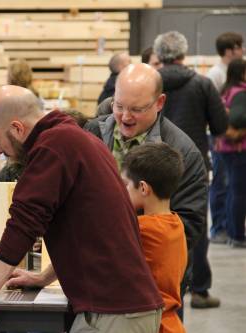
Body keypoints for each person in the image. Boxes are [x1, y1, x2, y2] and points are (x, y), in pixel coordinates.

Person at [0, 85, 164, 332]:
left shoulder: (53, 146)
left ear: (17, 128)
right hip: (124, 310)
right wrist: (44, 277)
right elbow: (88, 229)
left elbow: (24, 223)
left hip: (113, 314)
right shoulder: (73, 139)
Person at [83, 63, 208, 317]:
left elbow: (189, 226)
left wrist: (123, 242)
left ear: (160, 102)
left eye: (137, 109)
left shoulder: (182, 152)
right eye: (119, 106)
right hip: (94, 276)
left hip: (153, 286)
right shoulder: (93, 133)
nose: (126, 117)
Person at [154, 30, 227, 309]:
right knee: (193, 227)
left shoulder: (149, 82)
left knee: (153, 228)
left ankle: (161, 289)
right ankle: (198, 289)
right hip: (193, 166)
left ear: (159, 55)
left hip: (152, 169)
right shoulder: (202, 84)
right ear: (184, 54)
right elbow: (220, 125)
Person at [121, 143, 187, 333]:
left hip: (150, 325)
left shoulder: (142, 228)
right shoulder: (175, 223)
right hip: (170, 323)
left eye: (125, 184)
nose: (121, 191)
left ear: (143, 188)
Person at [206, 32, 244, 244]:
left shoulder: (229, 72)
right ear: (230, 50)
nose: (242, 51)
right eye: (240, 47)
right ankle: (218, 227)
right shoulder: (216, 74)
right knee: (220, 182)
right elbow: (216, 108)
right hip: (220, 137)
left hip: (229, 137)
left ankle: (229, 227)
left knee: (232, 185)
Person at [214, 59, 246, 248]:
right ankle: (237, 235)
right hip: (238, 149)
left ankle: (232, 231)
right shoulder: (241, 92)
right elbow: (238, 118)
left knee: (232, 191)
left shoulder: (226, 90)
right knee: (239, 192)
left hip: (225, 148)